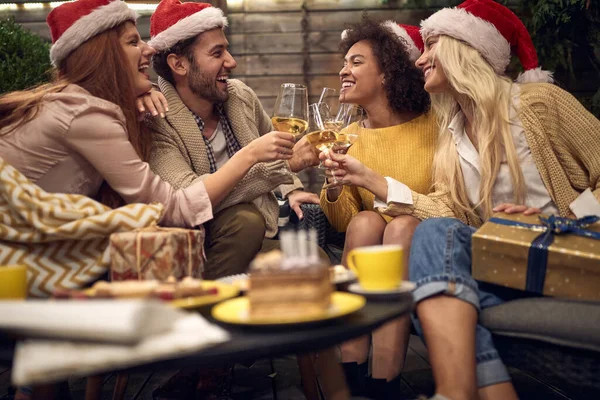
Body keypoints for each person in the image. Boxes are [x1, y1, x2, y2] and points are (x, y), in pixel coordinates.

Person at [322, 0, 600, 399]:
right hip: (501, 266)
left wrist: (560, 223)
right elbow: (445, 210)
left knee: (444, 295)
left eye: (432, 46)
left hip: (564, 257)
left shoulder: (539, 104)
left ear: (466, 47)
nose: (421, 60)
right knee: (436, 233)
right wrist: (371, 181)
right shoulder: (452, 136)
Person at [0, 0, 294, 230]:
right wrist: (251, 154)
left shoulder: (79, 105)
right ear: (104, 56)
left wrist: (136, 94)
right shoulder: (85, 114)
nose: (149, 48)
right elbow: (172, 209)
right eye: (132, 42)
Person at [146, 0, 321, 280]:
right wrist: (257, 159)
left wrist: (291, 189)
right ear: (178, 64)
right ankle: (200, 309)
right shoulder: (156, 119)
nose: (231, 61)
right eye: (217, 53)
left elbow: (274, 145)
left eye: (226, 48)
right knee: (244, 221)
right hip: (197, 242)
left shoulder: (238, 95)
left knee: (317, 263)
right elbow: (188, 200)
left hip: (256, 232)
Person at [319, 18, 438, 398]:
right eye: (345, 62)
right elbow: (342, 221)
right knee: (367, 221)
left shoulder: (435, 128)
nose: (343, 70)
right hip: (373, 246)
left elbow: (450, 201)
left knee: (401, 226)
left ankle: (384, 380)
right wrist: (335, 184)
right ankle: (351, 369)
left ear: (387, 73)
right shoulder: (350, 135)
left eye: (356, 62)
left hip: (431, 239)